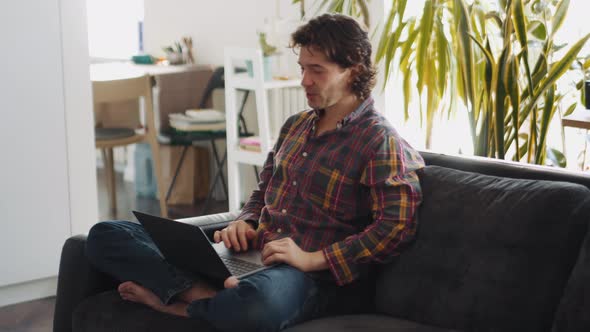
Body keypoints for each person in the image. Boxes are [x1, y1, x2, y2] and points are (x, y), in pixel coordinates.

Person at [86, 13, 424, 332]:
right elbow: (263, 192)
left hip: (307, 277)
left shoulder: (379, 140)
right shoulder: (296, 126)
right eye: (302, 68)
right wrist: (245, 222)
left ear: (353, 69)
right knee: (106, 235)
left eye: (317, 70)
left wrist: (311, 259)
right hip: (252, 257)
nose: (304, 80)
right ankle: (204, 295)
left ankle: (182, 304)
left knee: (258, 302)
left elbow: (395, 227)